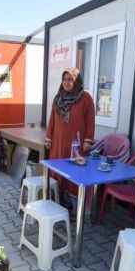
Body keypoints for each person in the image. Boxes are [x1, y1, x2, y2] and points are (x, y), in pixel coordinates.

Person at [45, 67, 95, 199]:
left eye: (70, 79)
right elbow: (52, 119)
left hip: (76, 144)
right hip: (58, 143)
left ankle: (74, 204)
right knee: (58, 170)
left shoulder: (85, 98)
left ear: (77, 81)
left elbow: (90, 120)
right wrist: (49, 138)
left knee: (75, 171)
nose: (66, 83)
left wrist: (88, 140)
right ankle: (57, 199)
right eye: (64, 79)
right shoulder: (58, 98)